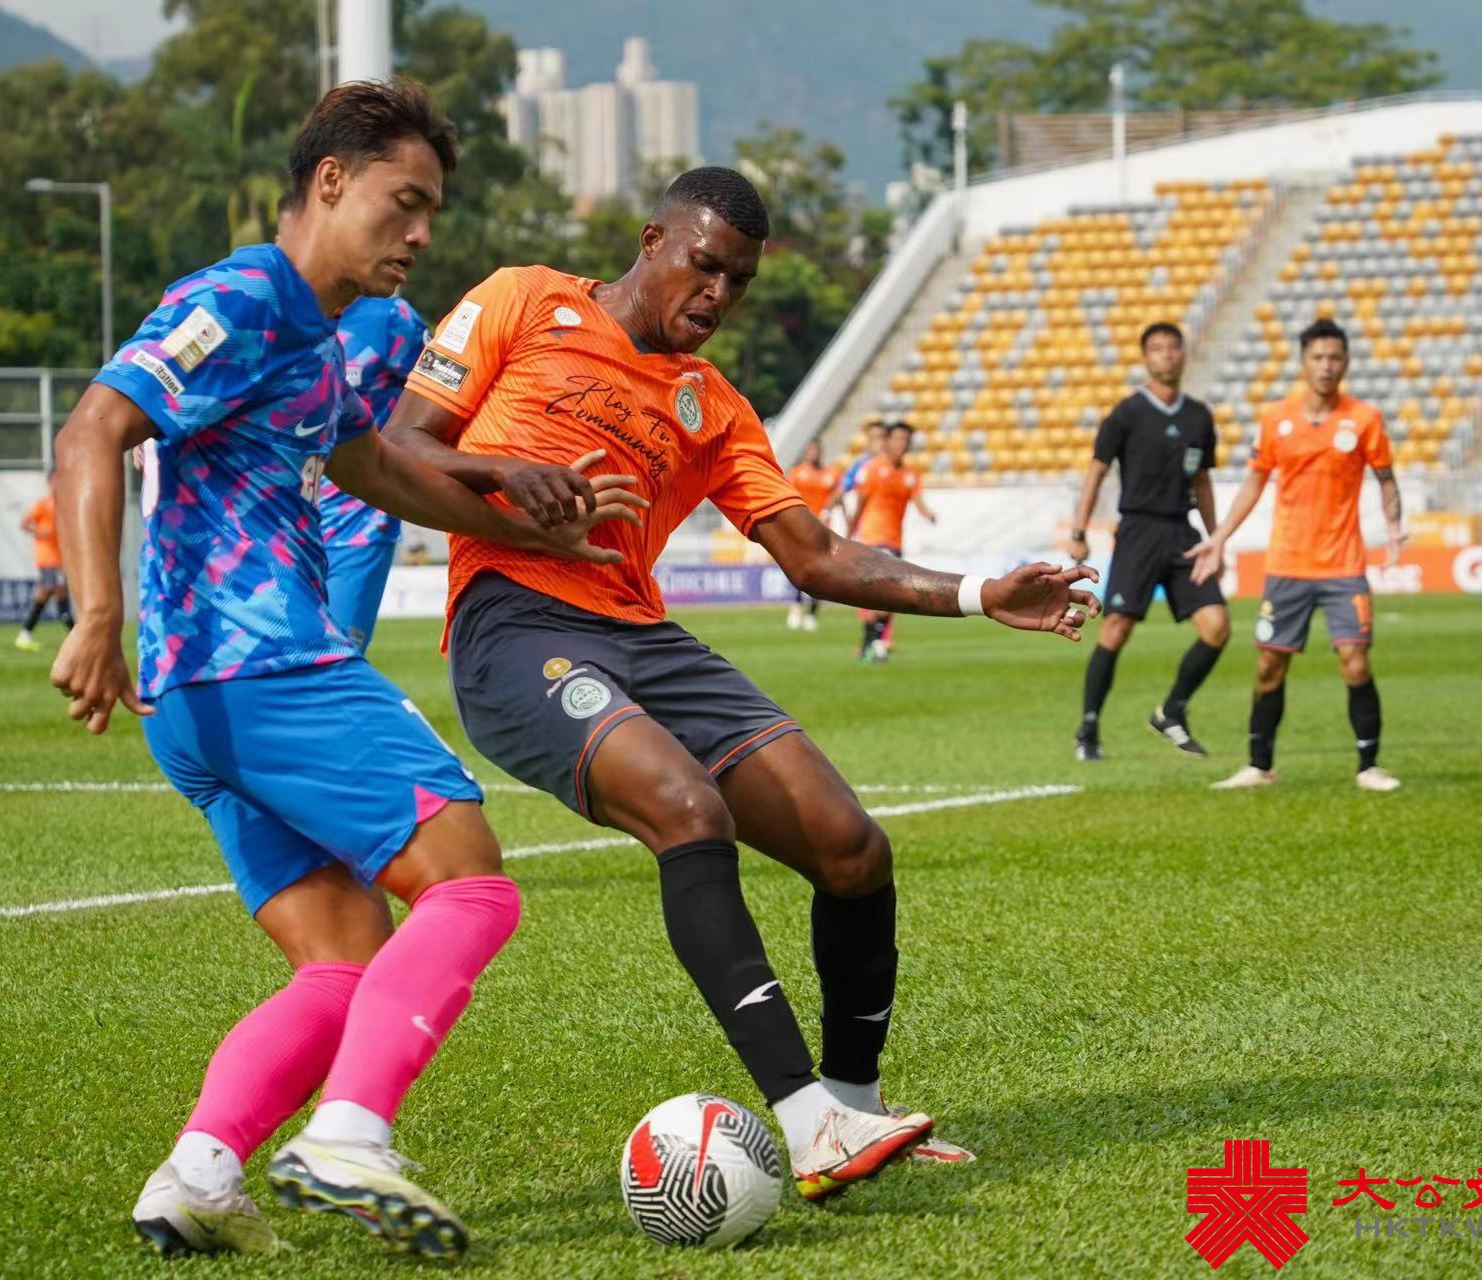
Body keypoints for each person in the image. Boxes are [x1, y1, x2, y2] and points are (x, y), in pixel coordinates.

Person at [386, 166, 1100, 1200]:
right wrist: (507, 476)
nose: (718, 294)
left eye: (740, 280)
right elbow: (400, 444)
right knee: (687, 806)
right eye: (705, 265)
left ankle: (854, 1105)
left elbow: (815, 555)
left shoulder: (712, 405)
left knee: (852, 847)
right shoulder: (523, 299)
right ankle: (808, 1122)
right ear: (652, 241)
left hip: (641, 633)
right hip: (516, 625)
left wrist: (981, 591)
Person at [47, 78, 643, 1261]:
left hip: (200, 704)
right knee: (470, 880)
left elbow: (377, 468)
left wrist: (532, 525)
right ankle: (349, 1134)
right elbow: (92, 430)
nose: (419, 233)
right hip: (265, 664)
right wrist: (96, 612)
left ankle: (198, 1172)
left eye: (431, 213)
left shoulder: (316, 343)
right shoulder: (240, 298)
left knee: (346, 954)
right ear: (330, 180)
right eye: (402, 202)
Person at [1186, 317, 1404, 792]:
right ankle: (1259, 766)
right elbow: (1254, 482)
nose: (1326, 366)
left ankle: (1369, 766)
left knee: (1355, 660)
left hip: (1343, 565)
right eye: (1318, 357)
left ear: (1346, 364)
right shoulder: (1276, 418)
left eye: (1334, 358)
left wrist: (1394, 530)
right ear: (1303, 363)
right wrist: (1220, 536)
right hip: (1287, 565)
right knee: (1269, 666)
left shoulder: (1364, 418)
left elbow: (1386, 479)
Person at [1068, 323, 1230, 761]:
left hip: (1183, 533)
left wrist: (1215, 539)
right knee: (1117, 628)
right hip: (1138, 531)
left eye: (1173, 348)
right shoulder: (1126, 414)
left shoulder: (1199, 416)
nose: (1166, 356)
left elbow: (1202, 481)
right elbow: (1097, 471)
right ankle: (1088, 728)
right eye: (1157, 349)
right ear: (1146, 359)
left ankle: (1172, 712)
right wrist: (1079, 531)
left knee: (1217, 627)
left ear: (1183, 355)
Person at [318, 292, 431, 651]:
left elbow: (443, 398)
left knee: (336, 658)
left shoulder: (391, 318)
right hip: (280, 520)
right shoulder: (278, 307)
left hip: (359, 521)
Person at [847, 422, 936, 662]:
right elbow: (860, 504)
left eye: (906, 440)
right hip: (872, 538)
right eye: (898, 439)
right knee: (883, 593)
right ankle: (876, 644)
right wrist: (849, 532)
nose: (902, 444)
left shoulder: (910, 475)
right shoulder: (873, 469)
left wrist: (929, 515)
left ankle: (868, 644)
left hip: (894, 541)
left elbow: (919, 502)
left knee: (883, 596)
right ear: (888, 442)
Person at [784, 438, 840, 630]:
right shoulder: (797, 473)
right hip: (801, 527)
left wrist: (836, 513)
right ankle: (796, 605)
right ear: (806, 452)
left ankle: (811, 613)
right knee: (800, 568)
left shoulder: (830, 474)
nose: (813, 453)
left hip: (822, 528)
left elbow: (838, 495)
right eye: (810, 450)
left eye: (816, 450)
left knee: (820, 571)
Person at [15, 471, 73, 650]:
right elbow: (25, 523)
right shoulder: (44, 504)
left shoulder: (65, 505)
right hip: (48, 558)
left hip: (59, 558)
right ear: (50, 483)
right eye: (56, 481)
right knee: (59, 591)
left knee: (46, 593)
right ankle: (73, 633)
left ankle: (25, 633)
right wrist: (41, 532)